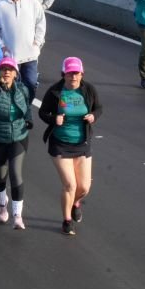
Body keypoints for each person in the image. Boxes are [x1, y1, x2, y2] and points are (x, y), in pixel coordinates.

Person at [39, 57, 103, 236]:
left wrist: (93, 116)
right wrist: (54, 119)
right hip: (60, 144)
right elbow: (42, 112)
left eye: (76, 73)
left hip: (82, 143)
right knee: (70, 185)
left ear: (82, 74)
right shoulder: (55, 91)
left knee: (84, 187)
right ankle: (67, 220)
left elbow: (99, 108)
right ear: (63, 74)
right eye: (70, 73)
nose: (73, 77)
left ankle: (75, 203)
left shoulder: (88, 90)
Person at [0, 57, 34, 230]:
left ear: (15, 74)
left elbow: (27, 108)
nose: (6, 72)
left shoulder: (22, 89)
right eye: (3, 69)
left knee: (15, 173)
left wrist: (29, 120)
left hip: (18, 136)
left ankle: (17, 215)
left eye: (10, 69)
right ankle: (1, 204)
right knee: (1, 175)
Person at [0, 0, 46, 98]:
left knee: (31, 84)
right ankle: (14, 109)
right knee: (11, 87)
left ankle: (26, 108)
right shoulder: (0, 4)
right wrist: (1, 45)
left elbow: (41, 22)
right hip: (10, 56)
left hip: (30, 55)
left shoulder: (32, 2)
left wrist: (38, 41)